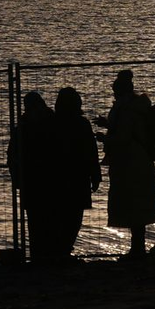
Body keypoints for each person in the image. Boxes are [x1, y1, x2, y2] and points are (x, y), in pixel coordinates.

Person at [101, 68, 155, 260]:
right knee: (139, 205)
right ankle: (137, 248)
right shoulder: (135, 107)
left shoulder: (126, 109)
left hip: (130, 163)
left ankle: (137, 250)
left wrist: (105, 139)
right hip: (139, 161)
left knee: (133, 205)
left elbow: (124, 137)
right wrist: (109, 126)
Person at [6, 90, 62, 263]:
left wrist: (17, 178)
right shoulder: (54, 124)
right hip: (50, 179)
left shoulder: (23, 127)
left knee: (36, 220)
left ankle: (39, 255)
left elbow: (12, 156)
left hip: (31, 179)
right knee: (52, 218)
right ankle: (52, 254)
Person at [52, 86, 101, 259]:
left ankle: (59, 251)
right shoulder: (82, 124)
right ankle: (64, 250)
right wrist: (96, 175)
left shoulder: (52, 123)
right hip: (78, 176)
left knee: (59, 216)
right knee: (74, 217)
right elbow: (91, 151)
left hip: (57, 177)